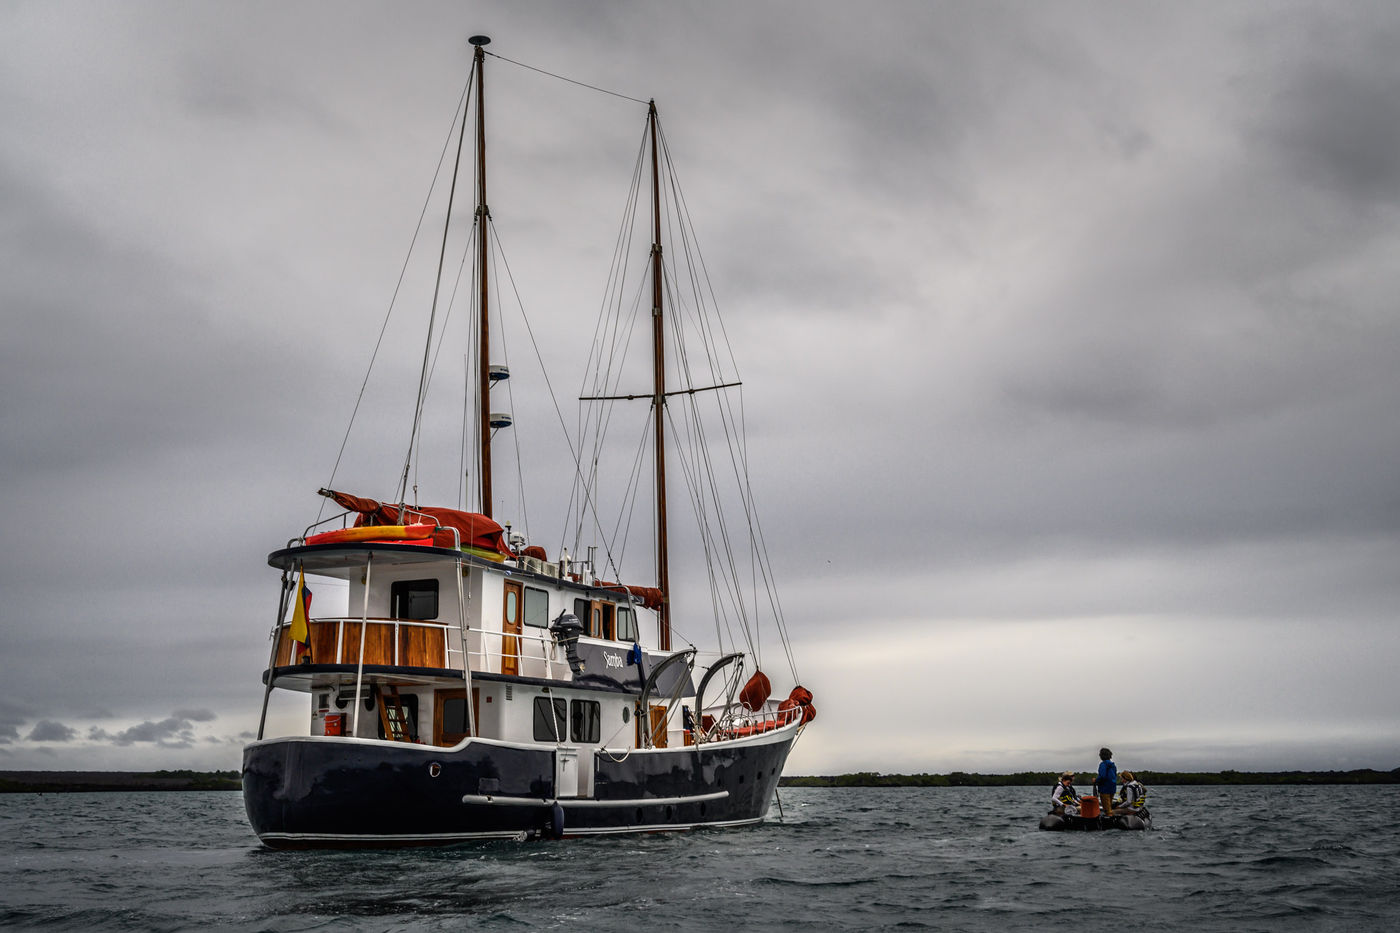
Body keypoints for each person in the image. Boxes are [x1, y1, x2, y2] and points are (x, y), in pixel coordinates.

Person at [1094, 747, 1117, 817]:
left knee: (1107, 809)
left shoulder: (1103, 764)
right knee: (1109, 805)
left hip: (1105, 789)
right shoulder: (1113, 765)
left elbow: (1102, 776)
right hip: (1112, 788)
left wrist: (1096, 780)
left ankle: (1110, 821)